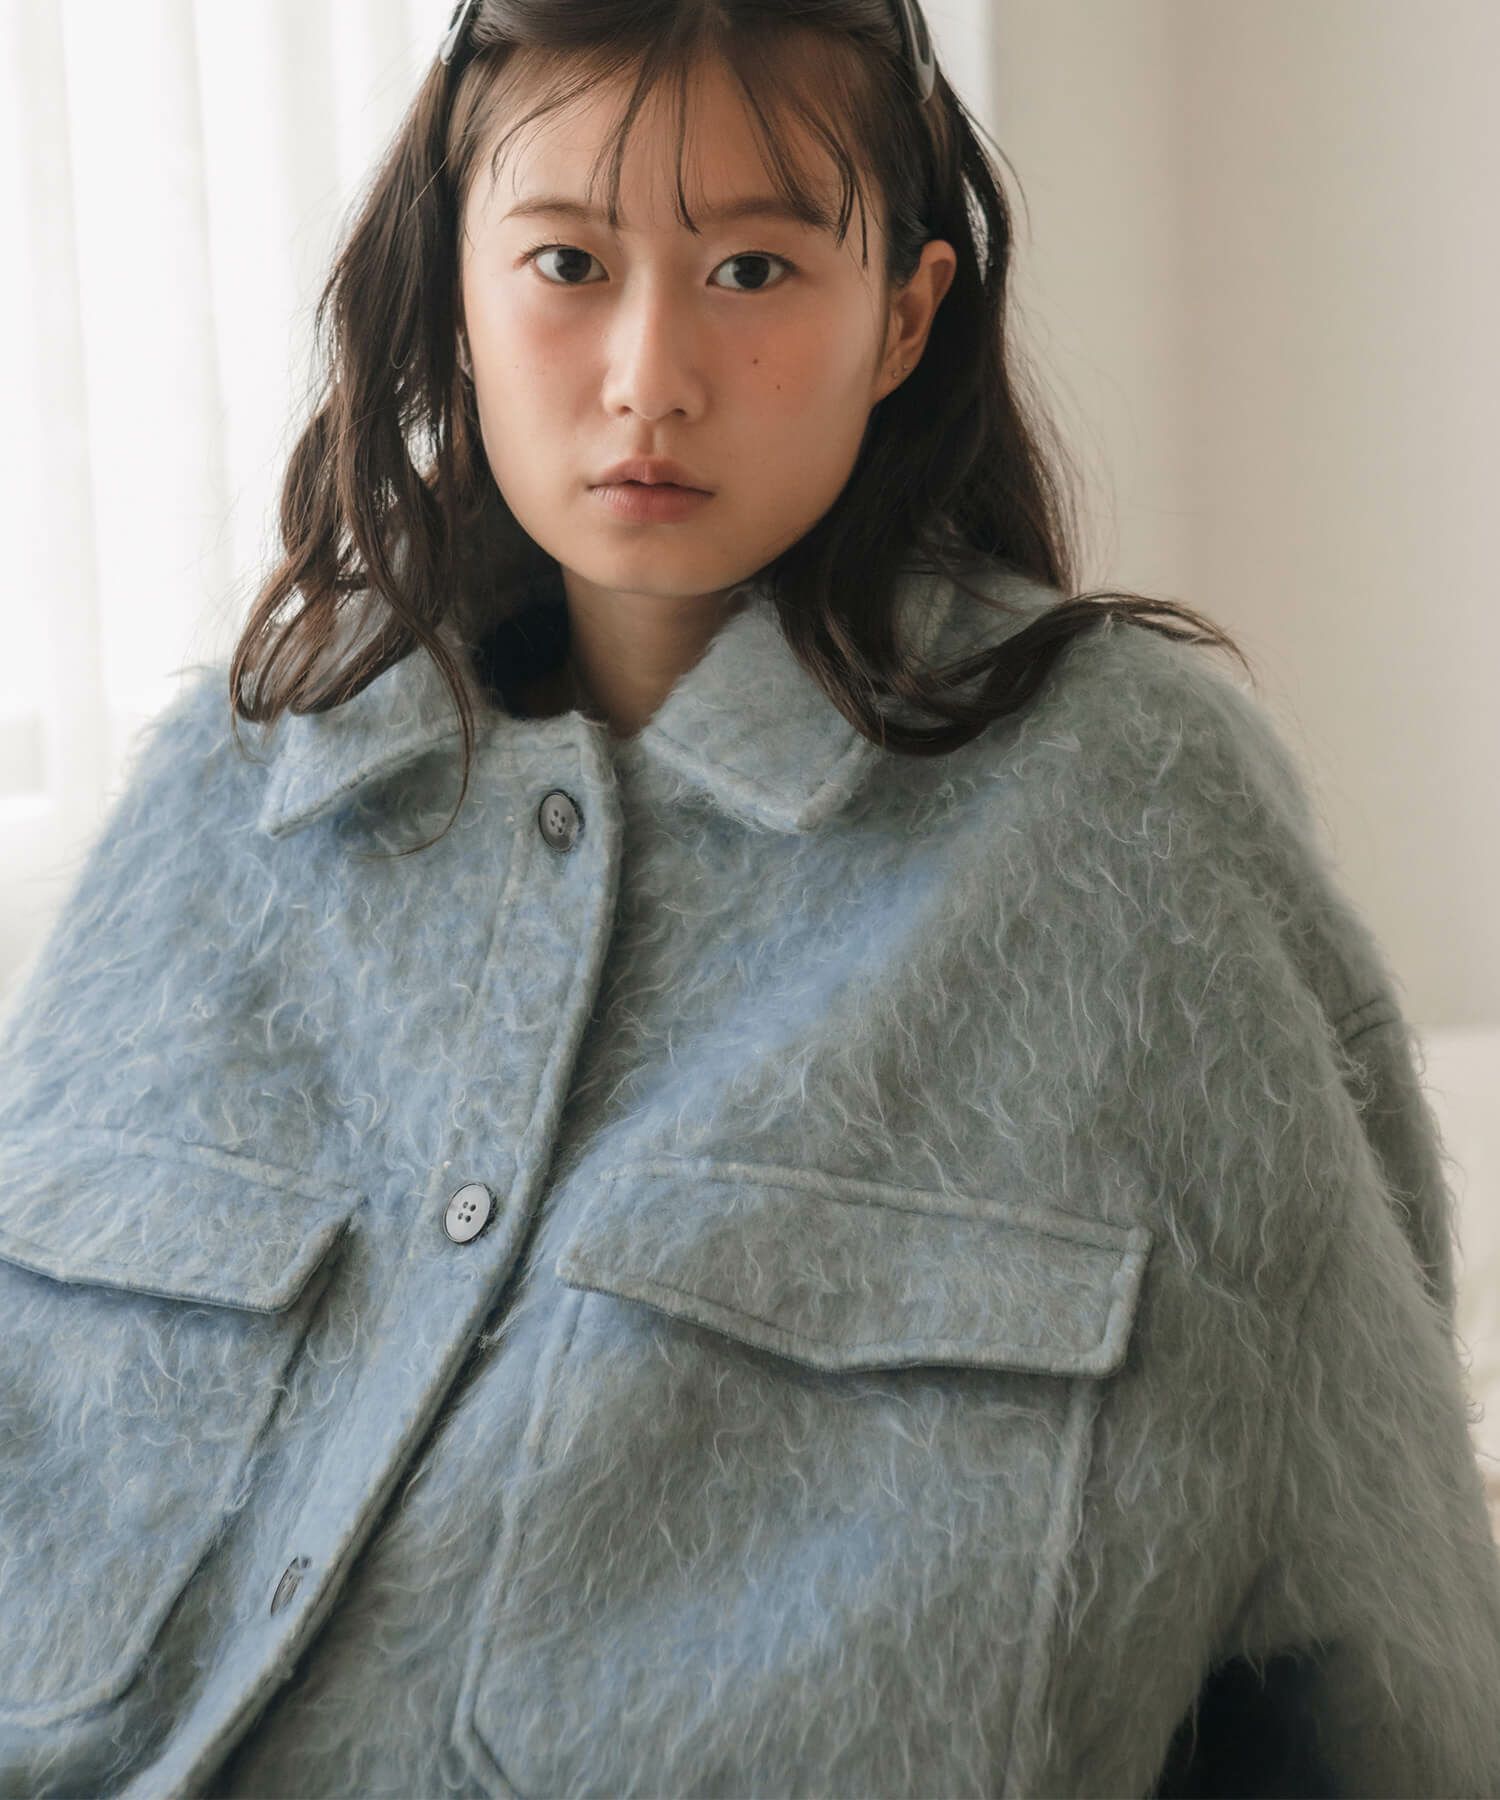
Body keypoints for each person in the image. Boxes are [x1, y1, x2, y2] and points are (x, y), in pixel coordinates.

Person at [2, 1, 1498, 1795]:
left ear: (906, 318)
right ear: (456, 282)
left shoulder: (1130, 826)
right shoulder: (231, 790)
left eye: (754, 271)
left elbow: (1380, 1615)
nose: (649, 375)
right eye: (568, 263)